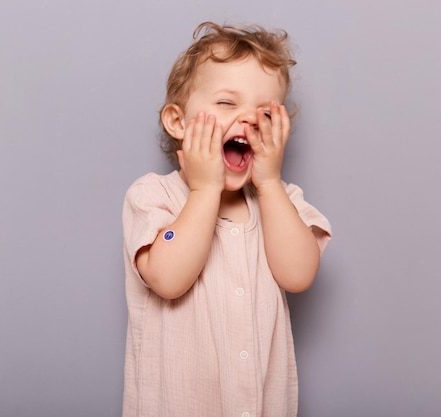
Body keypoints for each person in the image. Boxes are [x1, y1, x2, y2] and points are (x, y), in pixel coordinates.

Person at [122, 21, 332, 417]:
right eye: (226, 103)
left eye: (265, 112)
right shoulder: (152, 197)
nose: (250, 119)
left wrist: (269, 182)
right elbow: (167, 278)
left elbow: (299, 275)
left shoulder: (281, 202)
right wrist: (204, 191)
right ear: (178, 122)